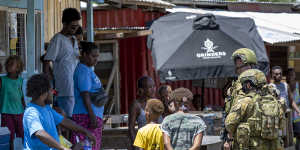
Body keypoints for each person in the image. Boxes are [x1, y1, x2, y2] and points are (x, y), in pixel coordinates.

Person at [23, 74, 96, 150]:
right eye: (52, 90)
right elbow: (39, 133)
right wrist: (63, 148)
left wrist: (85, 131)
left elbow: (64, 121)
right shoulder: (31, 112)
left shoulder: (47, 108)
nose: (53, 94)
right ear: (44, 92)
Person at [225, 69, 284, 150]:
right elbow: (281, 123)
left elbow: (229, 124)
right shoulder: (274, 100)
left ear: (248, 85)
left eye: (243, 85)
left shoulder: (246, 101)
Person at [43, 8, 81, 118]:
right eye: (72, 27)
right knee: (65, 122)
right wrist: (50, 86)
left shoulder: (74, 39)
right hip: (64, 89)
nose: (75, 29)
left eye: (77, 26)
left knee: (74, 120)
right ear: (64, 24)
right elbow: (46, 63)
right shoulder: (57, 39)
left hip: (76, 89)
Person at [70, 42, 104, 150]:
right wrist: (92, 115)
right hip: (85, 117)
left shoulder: (89, 70)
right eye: (93, 56)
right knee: (85, 147)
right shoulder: (83, 70)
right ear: (84, 54)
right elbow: (85, 95)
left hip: (91, 116)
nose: (96, 59)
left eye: (97, 56)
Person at [223, 48, 258, 149]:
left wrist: (228, 140)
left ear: (249, 66)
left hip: (244, 141)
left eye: (239, 67)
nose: (236, 70)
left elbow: (233, 118)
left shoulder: (242, 88)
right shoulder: (265, 85)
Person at [0, 56, 25, 150]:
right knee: (9, 135)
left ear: (18, 68)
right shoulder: (2, 80)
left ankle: (25, 147)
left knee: (22, 133)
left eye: (11, 64)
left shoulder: (20, 80)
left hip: (19, 112)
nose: (8, 66)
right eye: (7, 64)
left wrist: (24, 106)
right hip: (6, 112)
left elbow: (21, 95)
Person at [128, 76, 156, 149]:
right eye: (150, 87)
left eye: (154, 86)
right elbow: (131, 127)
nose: (153, 89)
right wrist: (135, 145)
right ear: (142, 90)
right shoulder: (136, 105)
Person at [287, 68, 300, 149]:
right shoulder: (285, 86)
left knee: (299, 133)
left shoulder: (298, 84)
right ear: (287, 76)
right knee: (290, 134)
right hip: (289, 114)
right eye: (289, 74)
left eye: (292, 74)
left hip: (297, 114)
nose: (291, 76)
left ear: (295, 75)